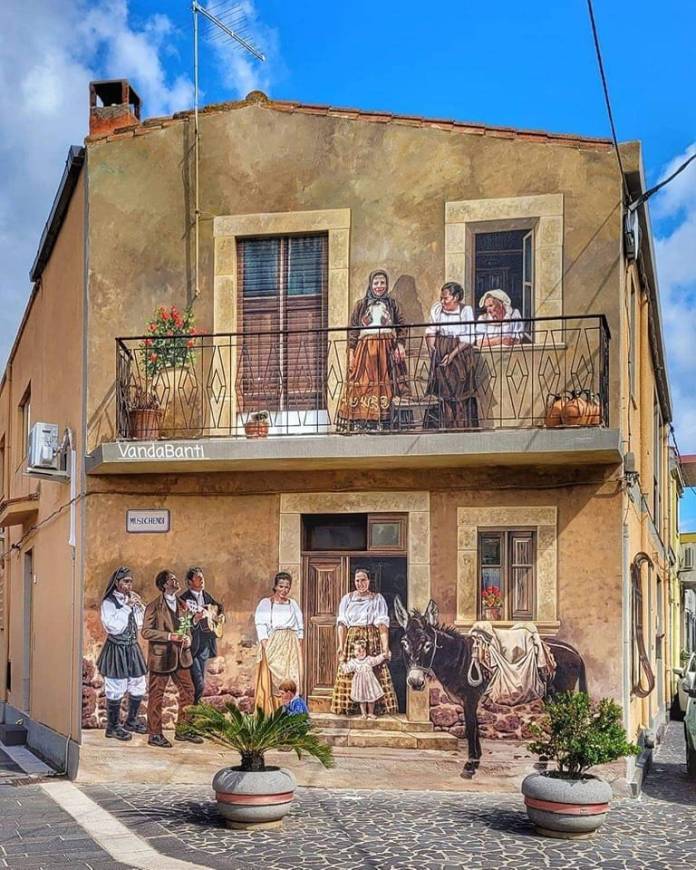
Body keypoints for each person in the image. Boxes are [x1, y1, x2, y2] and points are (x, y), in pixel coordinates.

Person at [336, 269, 410, 432]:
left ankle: (386, 420)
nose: (379, 286)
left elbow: (402, 326)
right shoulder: (361, 305)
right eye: (376, 283)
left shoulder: (393, 304)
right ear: (371, 284)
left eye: (382, 283)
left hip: (386, 349)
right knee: (364, 384)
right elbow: (353, 330)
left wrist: (400, 345)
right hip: (365, 350)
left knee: (387, 384)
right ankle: (363, 420)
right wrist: (351, 352)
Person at [141, 570, 204, 748]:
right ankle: (154, 734)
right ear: (163, 585)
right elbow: (146, 631)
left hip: (181, 657)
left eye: (176, 579)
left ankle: (183, 730)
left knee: (189, 691)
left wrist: (188, 638)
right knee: (156, 696)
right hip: (161, 658)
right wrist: (170, 637)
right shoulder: (154, 606)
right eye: (171, 580)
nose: (176, 582)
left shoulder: (183, 605)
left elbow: (186, 628)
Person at [330, 568, 397, 716]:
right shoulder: (347, 599)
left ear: (369, 581)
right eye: (357, 580)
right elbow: (342, 624)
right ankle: (349, 708)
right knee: (350, 670)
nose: (360, 583)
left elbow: (382, 625)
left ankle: (375, 709)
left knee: (373, 670)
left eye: (363, 580)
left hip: (371, 638)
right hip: (352, 638)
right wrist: (341, 645)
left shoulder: (377, 598)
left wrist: (385, 647)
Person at [96, 566, 148, 741]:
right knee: (116, 687)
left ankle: (131, 721)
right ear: (117, 583)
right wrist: (126, 608)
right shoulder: (109, 603)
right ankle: (112, 727)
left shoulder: (130, 600)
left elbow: (140, 624)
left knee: (138, 683)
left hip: (132, 648)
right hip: (116, 648)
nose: (129, 585)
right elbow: (114, 628)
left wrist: (139, 607)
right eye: (126, 581)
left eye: (130, 581)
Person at [424, 281, 479, 429]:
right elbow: (431, 331)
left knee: (458, 392)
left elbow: (468, 338)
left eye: (446, 298)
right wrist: (432, 351)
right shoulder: (437, 309)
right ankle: (443, 427)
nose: (442, 301)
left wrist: (452, 354)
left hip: (460, 355)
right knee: (442, 392)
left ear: (455, 297)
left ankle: (460, 429)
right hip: (441, 352)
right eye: (441, 298)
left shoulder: (465, 310)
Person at [254, 572, 304, 714]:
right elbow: (261, 626)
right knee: (275, 679)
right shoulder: (266, 603)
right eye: (281, 586)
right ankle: (273, 712)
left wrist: (298, 644)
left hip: (291, 644)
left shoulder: (292, 604)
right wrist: (266, 646)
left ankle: (292, 713)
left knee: (291, 678)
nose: (284, 590)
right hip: (273, 643)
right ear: (275, 586)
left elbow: (300, 627)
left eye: (287, 587)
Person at [179, 566, 225, 705]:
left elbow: (218, 608)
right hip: (191, 647)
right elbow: (180, 625)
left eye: (202, 577)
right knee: (198, 683)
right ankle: (193, 710)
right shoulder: (183, 600)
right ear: (189, 582)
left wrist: (220, 616)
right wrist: (194, 620)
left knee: (200, 681)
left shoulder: (206, 596)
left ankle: (195, 711)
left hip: (204, 645)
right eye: (198, 578)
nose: (202, 580)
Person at [339, 639, 387, 719]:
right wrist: (342, 662)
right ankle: (364, 713)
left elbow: (376, 660)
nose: (361, 653)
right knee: (362, 699)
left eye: (363, 650)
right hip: (359, 684)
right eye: (358, 650)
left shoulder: (369, 659)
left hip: (370, 683)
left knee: (371, 698)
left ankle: (370, 713)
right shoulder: (353, 662)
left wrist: (383, 656)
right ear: (354, 652)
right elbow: (347, 669)